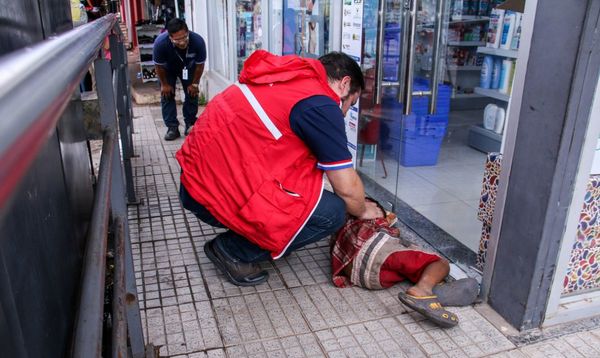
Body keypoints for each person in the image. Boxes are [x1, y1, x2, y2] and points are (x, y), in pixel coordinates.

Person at [176, 50, 383, 286]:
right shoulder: (321, 104)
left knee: (303, 198)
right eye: (350, 104)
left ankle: (265, 236)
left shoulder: (286, 77)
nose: (344, 114)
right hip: (210, 196)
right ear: (344, 83)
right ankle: (232, 251)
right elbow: (346, 187)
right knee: (333, 211)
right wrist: (361, 210)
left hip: (193, 181)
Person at [331, 199, 479, 328]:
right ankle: (423, 289)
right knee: (440, 263)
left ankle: (430, 286)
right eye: (377, 208)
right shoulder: (370, 219)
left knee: (402, 265)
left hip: (358, 275)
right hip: (376, 252)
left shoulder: (340, 220)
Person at [153, 18, 206, 140]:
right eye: (177, 40)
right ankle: (172, 128)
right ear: (170, 37)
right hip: (167, 70)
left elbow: (200, 65)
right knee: (167, 95)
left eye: (184, 38)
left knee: (192, 93)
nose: (182, 42)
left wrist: (195, 84)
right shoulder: (160, 43)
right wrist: (164, 84)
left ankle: (190, 123)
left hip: (189, 67)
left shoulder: (198, 41)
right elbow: (158, 66)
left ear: (188, 32)